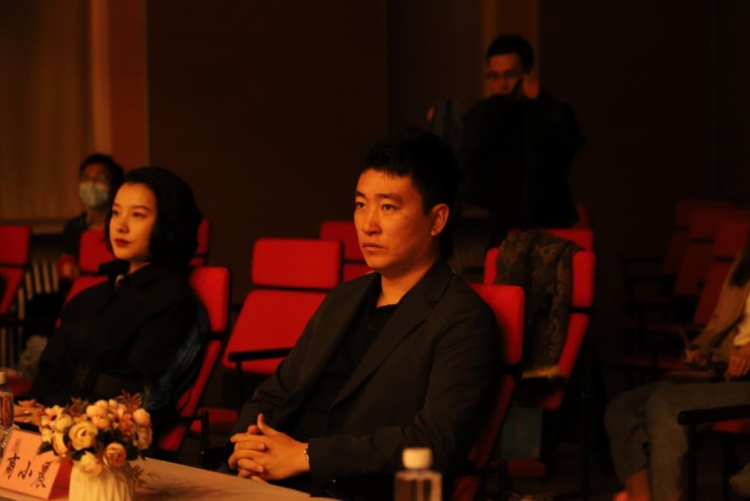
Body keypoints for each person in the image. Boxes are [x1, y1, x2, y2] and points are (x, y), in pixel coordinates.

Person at [227, 129, 501, 500]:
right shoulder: (344, 298)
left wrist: (305, 457)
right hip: (270, 480)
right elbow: (274, 395)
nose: (368, 224)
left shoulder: (462, 318)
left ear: (437, 220)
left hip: (348, 488)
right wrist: (250, 451)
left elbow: (436, 442)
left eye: (388, 207)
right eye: (360, 205)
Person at [22, 166, 208, 423]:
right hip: (53, 420)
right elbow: (50, 370)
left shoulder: (172, 300)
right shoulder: (90, 296)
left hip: (107, 434)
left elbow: (139, 396)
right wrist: (37, 408)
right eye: (117, 212)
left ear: (168, 223)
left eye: (137, 215)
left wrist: (58, 414)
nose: (120, 225)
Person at [605, 232, 750, 501]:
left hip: (745, 379)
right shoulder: (745, 258)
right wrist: (701, 349)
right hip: (722, 366)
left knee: (666, 404)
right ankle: (640, 497)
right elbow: (720, 322)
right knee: (622, 407)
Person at [458, 34, 584, 246]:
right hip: (502, 226)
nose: (502, 84)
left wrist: (541, 99)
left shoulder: (549, 111)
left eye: (510, 74)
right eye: (494, 76)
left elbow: (572, 141)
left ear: (527, 72)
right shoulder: (485, 114)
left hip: (550, 222)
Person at [59, 153, 125, 284]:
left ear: (114, 185)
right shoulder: (73, 227)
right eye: (86, 178)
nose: (91, 183)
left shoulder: (122, 226)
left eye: (101, 177)